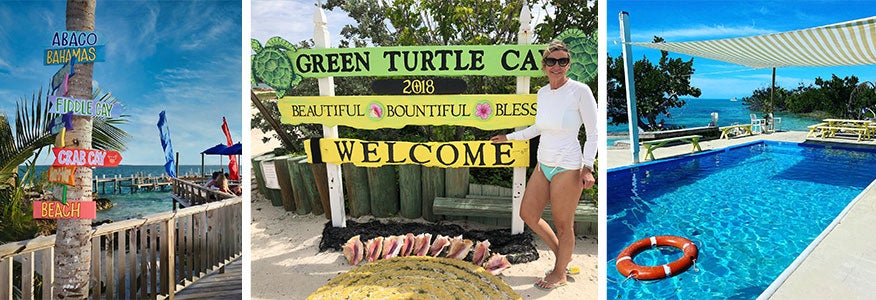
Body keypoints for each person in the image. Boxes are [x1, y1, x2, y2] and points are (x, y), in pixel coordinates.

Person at [490, 40, 598, 290]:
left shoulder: (580, 91)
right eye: (551, 61)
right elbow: (539, 127)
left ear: (569, 64)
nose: (557, 66)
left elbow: (593, 133)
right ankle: (564, 257)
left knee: (563, 225)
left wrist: (588, 167)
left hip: (568, 167)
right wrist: (509, 137)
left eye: (562, 61)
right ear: (544, 65)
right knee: (528, 214)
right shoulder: (542, 92)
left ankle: (559, 272)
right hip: (543, 164)